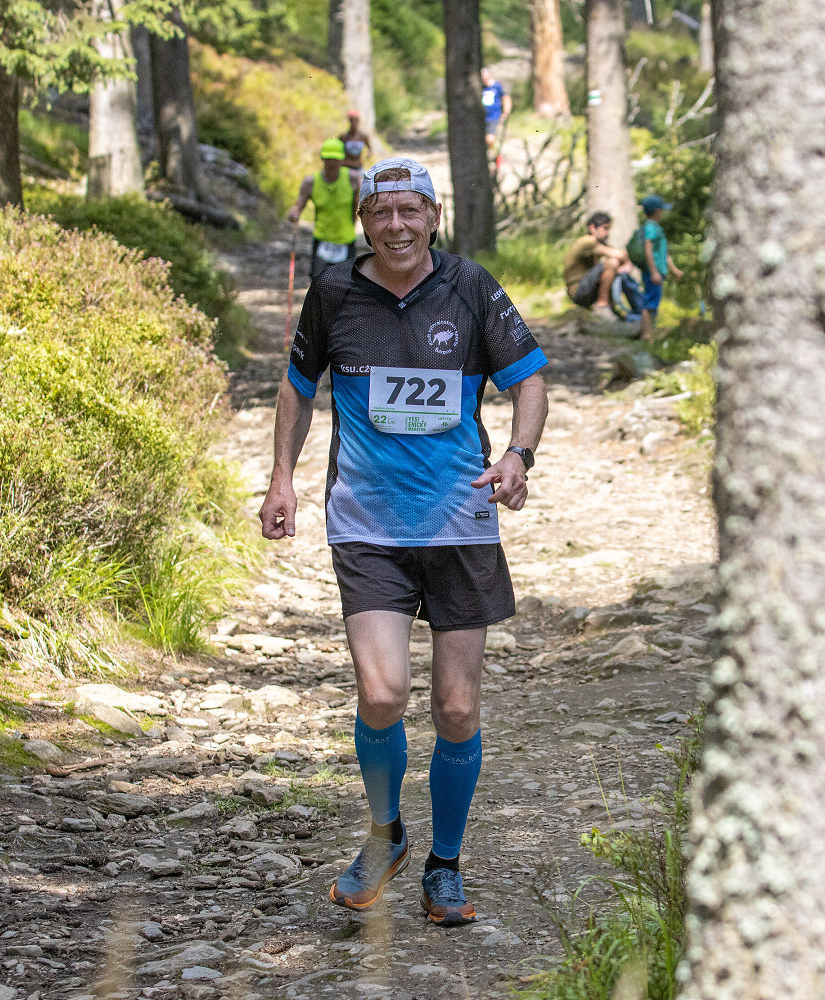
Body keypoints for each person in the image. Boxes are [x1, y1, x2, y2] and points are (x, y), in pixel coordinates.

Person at [260, 157, 548, 928]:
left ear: (433, 217)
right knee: (383, 693)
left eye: (409, 210)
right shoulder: (334, 292)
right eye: (381, 212)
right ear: (363, 222)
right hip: (368, 525)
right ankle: (385, 834)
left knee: (456, 707)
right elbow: (297, 386)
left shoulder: (471, 287)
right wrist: (282, 478)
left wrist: (518, 455)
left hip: (460, 523)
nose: (396, 225)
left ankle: (444, 864)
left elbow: (528, 379)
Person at [288, 138, 361, 277]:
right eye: (328, 159)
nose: (332, 163)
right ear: (322, 159)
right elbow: (298, 206)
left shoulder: (353, 179)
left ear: (342, 160)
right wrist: (294, 213)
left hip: (346, 240)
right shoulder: (311, 182)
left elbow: (360, 206)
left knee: (347, 283)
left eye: (336, 159)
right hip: (322, 240)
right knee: (319, 282)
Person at [563, 211, 634, 320]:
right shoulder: (587, 241)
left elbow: (622, 254)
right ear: (592, 228)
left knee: (613, 267)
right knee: (612, 263)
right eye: (605, 228)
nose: (607, 233)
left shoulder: (598, 243)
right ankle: (602, 305)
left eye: (609, 229)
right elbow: (619, 254)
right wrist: (626, 263)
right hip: (578, 290)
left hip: (586, 289)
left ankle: (611, 306)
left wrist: (626, 264)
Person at [636, 194, 684, 339]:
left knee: (653, 302)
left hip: (657, 271)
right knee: (649, 302)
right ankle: (646, 334)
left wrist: (673, 269)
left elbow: (664, 252)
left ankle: (649, 331)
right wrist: (653, 271)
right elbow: (648, 250)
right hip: (653, 271)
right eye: (662, 210)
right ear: (657, 211)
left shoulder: (655, 228)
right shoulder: (650, 228)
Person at [481, 69, 512, 165]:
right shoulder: (481, 87)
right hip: (482, 117)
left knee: (490, 138)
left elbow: (506, 98)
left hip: (493, 116)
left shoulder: (497, 86)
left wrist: (506, 112)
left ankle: (499, 154)